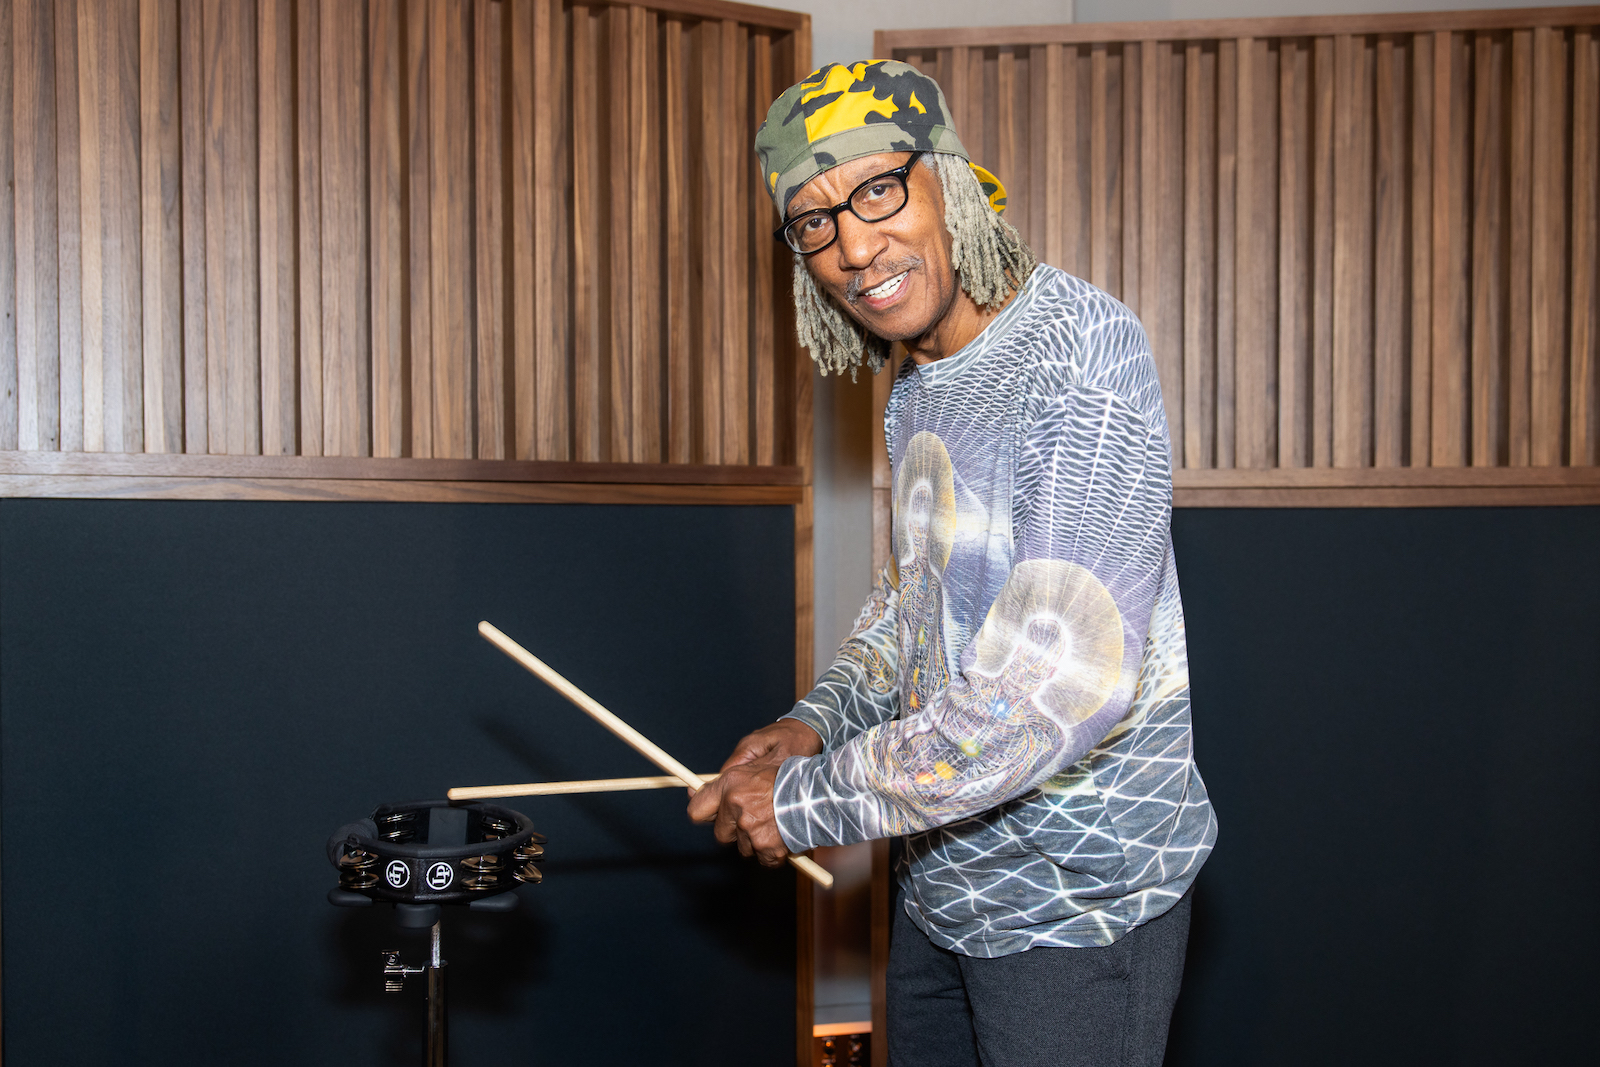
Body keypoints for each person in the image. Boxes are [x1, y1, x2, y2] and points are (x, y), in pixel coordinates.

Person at [687, 60, 1217, 1067]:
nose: (853, 247)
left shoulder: (1080, 352)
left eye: (877, 190)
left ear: (951, 180)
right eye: (812, 223)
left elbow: (1051, 688)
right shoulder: (918, 378)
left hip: (1075, 905)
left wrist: (808, 799)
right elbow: (916, 606)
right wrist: (817, 721)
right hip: (942, 877)